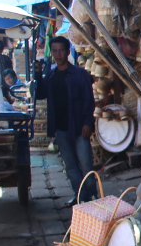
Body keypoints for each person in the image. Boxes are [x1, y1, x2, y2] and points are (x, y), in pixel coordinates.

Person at [36, 35, 98, 204]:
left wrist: (87, 122)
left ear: (67, 51)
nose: (58, 54)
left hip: (79, 126)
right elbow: (40, 94)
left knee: (86, 165)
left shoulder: (79, 74)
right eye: (55, 51)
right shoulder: (51, 75)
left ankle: (93, 197)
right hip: (61, 128)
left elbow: (88, 99)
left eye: (61, 50)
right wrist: (37, 74)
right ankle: (80, 198)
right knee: (70, 166)